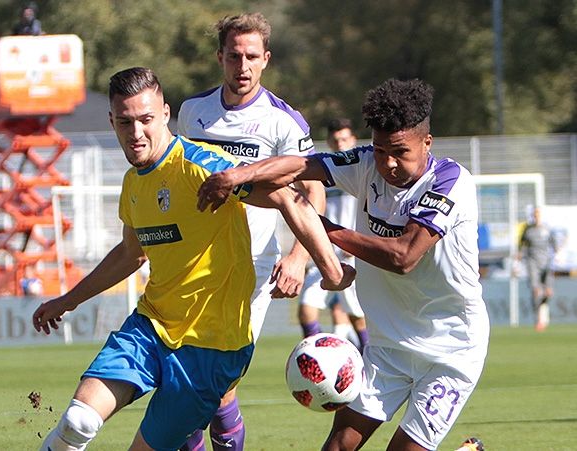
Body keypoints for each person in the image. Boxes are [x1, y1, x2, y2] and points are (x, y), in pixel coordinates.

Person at [33, 67, 353, 451]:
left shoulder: (203, 166)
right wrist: (68, 300)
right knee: (78, 420)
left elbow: (289, 196)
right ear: (112, 121)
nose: (136, 133)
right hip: (151, 327)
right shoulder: (134, 181)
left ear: (165, 114)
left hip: (212, 349)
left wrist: (326, 266)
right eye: (125, 122)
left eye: (146, 120)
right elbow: (130, 254)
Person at [197, 78, 490, 451]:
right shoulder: (366, 162)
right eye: (381, 149)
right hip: (388, 348)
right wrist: (238, 175)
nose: (387, 162)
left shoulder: (450, 182)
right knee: (337, 446)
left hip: (452, 350)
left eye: (399, 151)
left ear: (426, 143)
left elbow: (403, 256)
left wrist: (321, 228)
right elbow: (299, 165)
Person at [177, 13, 326, 450]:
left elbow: (313, 191)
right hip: (194, 261)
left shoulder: (284, 122)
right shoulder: (192, 113)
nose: (242, 66)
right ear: (220, 57)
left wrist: (298, 257)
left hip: (251, 265)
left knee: (217, 378)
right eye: (234, 56)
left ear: (266, 60)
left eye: (252, 57)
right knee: (185, 376)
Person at [299, 118, 369, 351]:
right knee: (306, 308)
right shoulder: (323, 171)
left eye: (344, 139)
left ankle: (367, 362)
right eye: (335, 139)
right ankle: (316, 360)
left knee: (357, 317)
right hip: (326, 252)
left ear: (353, 140)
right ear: (329, 142)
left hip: (354, 254)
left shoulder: (363, 170)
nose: (340, 143)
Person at [517, 206, 557, 331]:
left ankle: (543, 313)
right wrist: (520, 254)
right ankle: (538, 319)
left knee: (548, 292)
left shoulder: (547, 229)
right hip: (532, 262)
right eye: (535, 214)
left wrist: (557, 253)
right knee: (536, 291)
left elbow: (554, 244)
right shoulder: (528, 229)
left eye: (538, 214)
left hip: (546, 263)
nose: (536, 216)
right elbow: (522, 244)